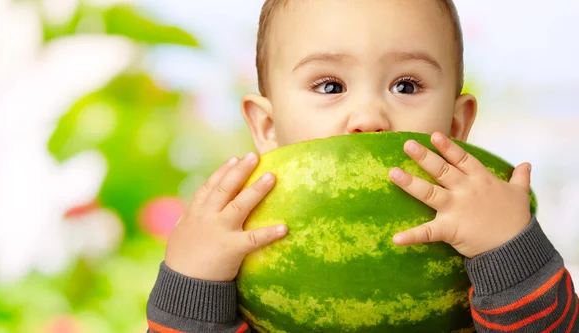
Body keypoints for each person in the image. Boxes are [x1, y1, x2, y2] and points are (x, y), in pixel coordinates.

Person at [146, 0, 579, 332]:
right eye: (330, 85)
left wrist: (510, 253)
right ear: (268, 125)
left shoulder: (486, 234)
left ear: (455, 122)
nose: (369, 117)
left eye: (406, 85)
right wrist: (193, 285)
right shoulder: (239, 244)